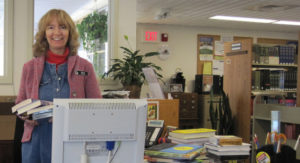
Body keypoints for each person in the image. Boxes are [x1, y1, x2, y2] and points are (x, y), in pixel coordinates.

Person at [15, 9, 102, 163]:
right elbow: (20, 104)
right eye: (50, 28)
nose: (57, 32)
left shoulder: (85, 67)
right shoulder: (29, 67)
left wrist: (68, 116)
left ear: (69, 32)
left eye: (63, 27)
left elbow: (96, 107)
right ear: (44, 33)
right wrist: (27, 115)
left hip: (73, 142)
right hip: (35, 143)